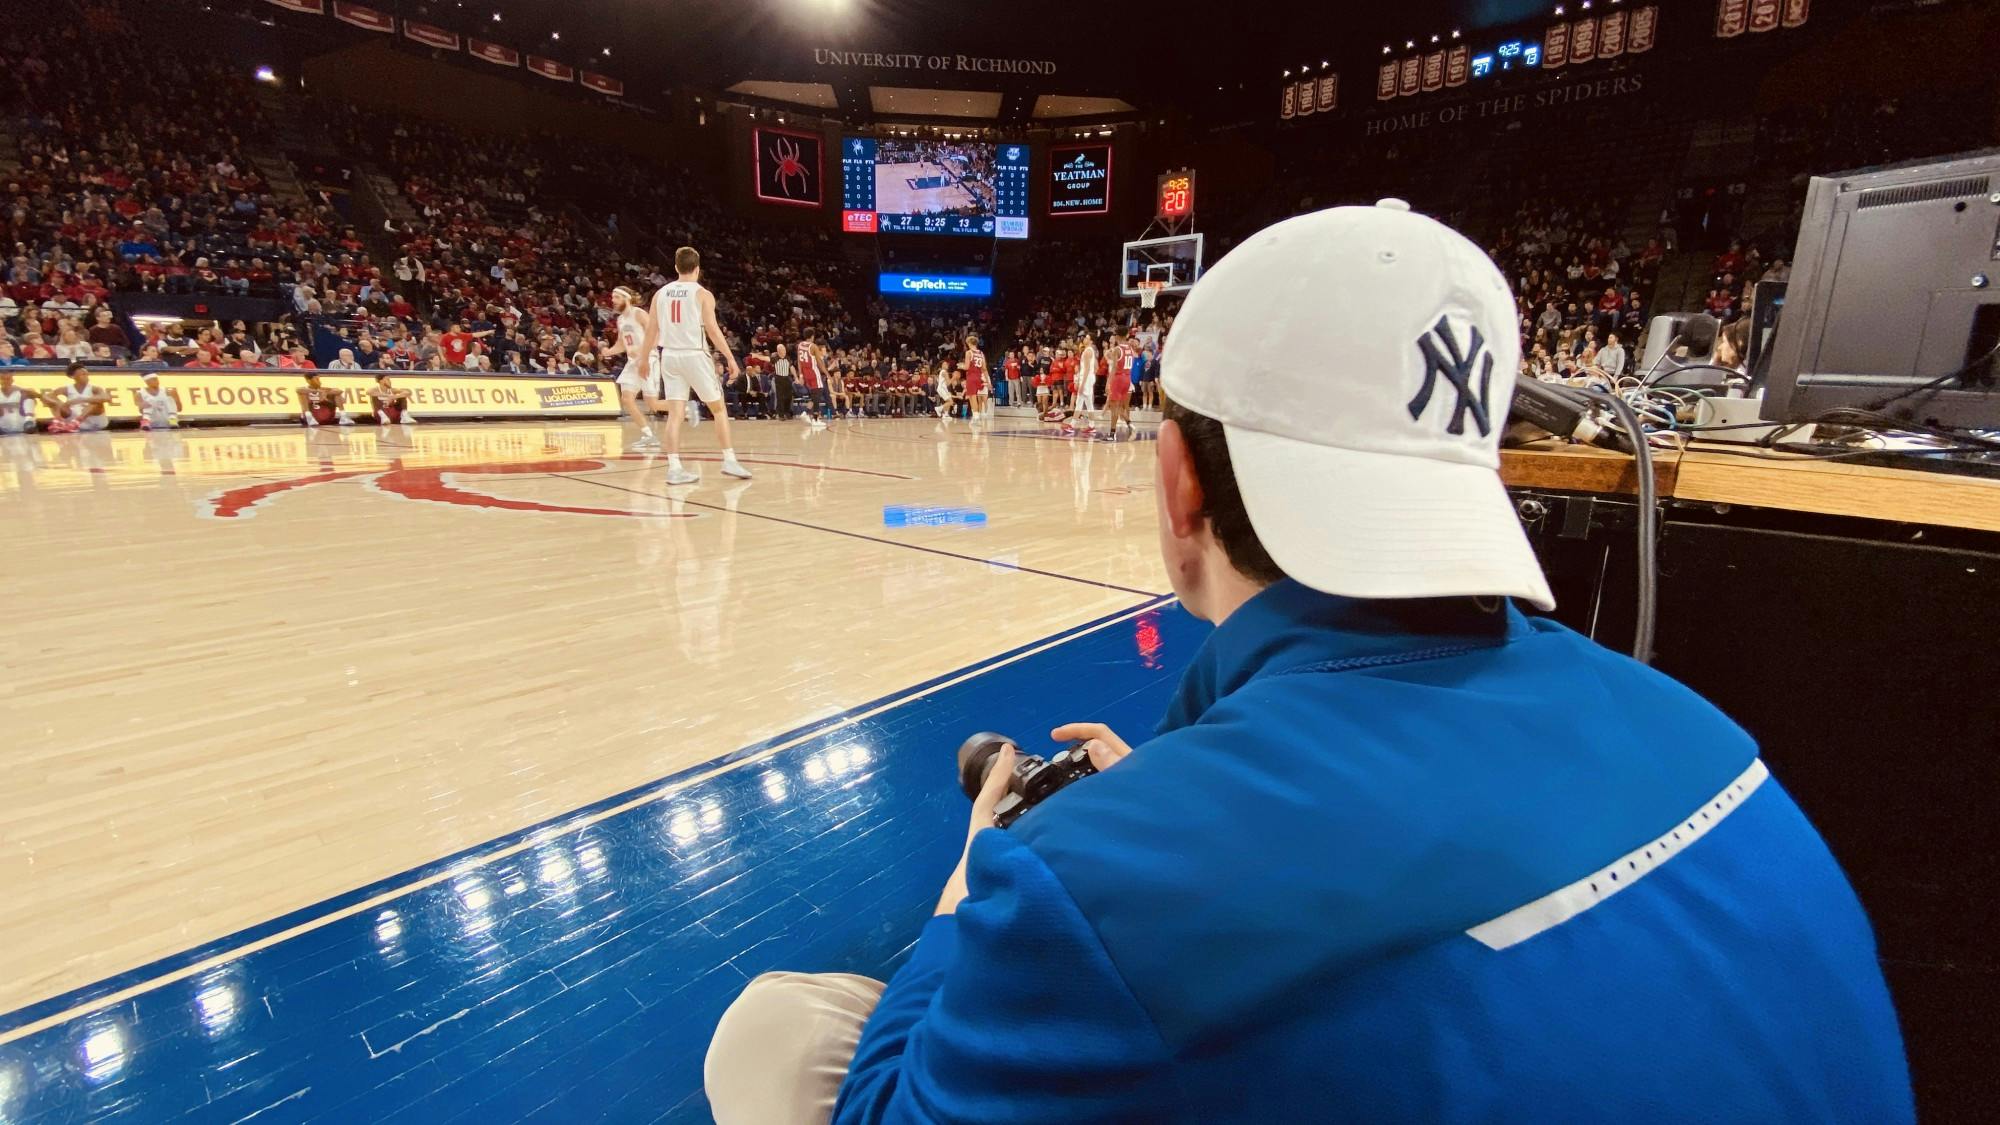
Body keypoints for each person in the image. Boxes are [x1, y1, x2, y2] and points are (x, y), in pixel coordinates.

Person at [704, 201, 1914, 1124]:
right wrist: (1169, 793)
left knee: (768, 1037)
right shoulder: (1712, 739)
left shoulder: (1102, 886)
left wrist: (988, 866)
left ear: (1178, 478)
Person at [635, 247, 752, 484]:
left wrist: (644, 358)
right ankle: (729, 460)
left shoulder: (660, 294)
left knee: (675, 414)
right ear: (698, 269)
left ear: (676, 267)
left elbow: (651, 330)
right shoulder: (702, 294)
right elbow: (712, 328)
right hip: (694, 355)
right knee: (718, 409)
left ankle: (674, 468)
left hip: (669, 356)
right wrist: (730, 357)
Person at [603, 286, 661, 449]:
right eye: (612, 297)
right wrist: (609, 351)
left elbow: (656, 336)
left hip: (648, 359)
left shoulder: (639, 313)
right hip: (632, 363)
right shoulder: (621, 319)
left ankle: (686, 407)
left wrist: (643, 351)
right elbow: (622, 344)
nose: (612, 300)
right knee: (627, 399)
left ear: (626, 298)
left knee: (653, 404)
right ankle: (648, 435)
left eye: (616, 297)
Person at [48, 361, 111, 433]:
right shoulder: (66, 389)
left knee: (96, 402)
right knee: (54, 402)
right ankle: (58, 422)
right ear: (72, 376)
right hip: (72, 421)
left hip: (95, 421)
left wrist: (81, 400)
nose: (86, 377)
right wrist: (58, 411)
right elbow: (47, 397)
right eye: (83, 375)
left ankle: (78, 420)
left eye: (87, 375)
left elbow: (107, 398)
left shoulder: (95, 388)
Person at [0, 369, 42, 434]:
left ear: (12, 380)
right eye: (3, 379)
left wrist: (20, 389)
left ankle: (29, 421)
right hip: (3, 426)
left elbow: (40, 396)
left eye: (8, 379)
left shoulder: (21, 391)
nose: (5, 381)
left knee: (29, 398)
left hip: (21, 423)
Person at [963, 334, 989, 420]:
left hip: (971, 376)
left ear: (969, 343)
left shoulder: (968, 352)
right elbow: (984, 369)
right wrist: (988, 382)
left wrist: (960, 366)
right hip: (979, 377)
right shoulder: (981, 353)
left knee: (972, 397)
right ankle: (975, 415)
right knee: (972, 396)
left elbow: (966, 367)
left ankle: (976, 416)